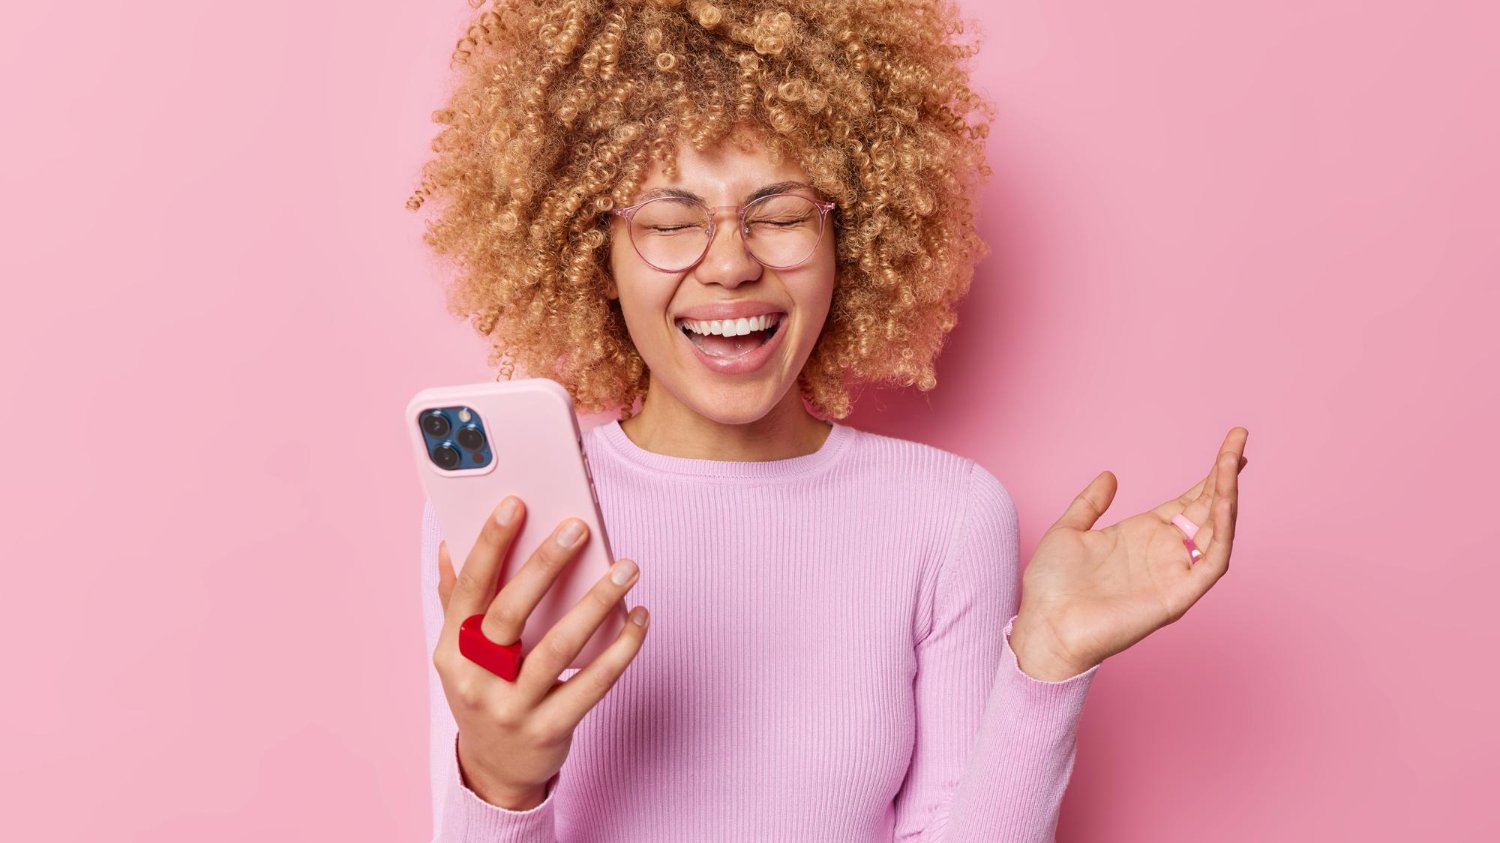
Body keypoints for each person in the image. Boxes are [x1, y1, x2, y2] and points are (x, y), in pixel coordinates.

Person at [406, 1, 1249, 840]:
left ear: (855, 231)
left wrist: (1047, 665)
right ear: (597, 254)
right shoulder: (507, 529)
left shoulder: (947, 517)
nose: (731, 265)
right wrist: (499, 787)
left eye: (779, 215)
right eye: (669, 221)